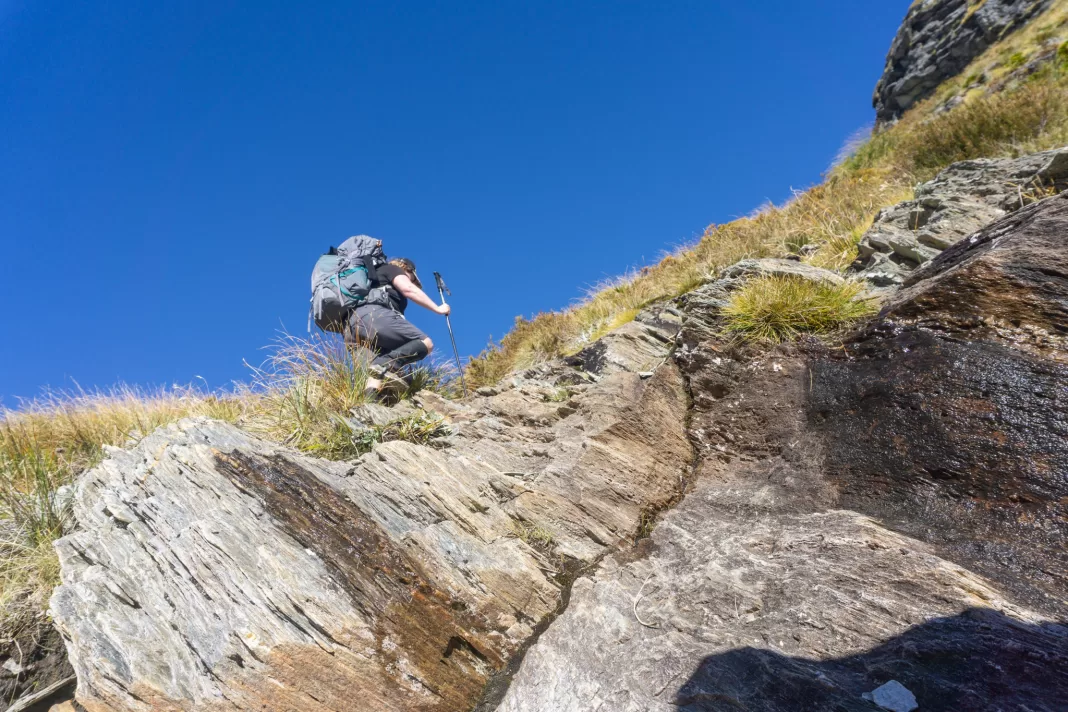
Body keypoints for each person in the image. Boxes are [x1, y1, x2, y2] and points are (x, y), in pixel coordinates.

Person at [347, 257, 451, 397]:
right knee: (425, 343)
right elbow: (408, 290)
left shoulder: (370, 279)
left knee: (375, 376)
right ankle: (384, 363)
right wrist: (438, 309)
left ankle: (367, 406)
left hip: (351, 328)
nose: (412, 282)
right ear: (407, 268)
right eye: (413, 279)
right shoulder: (392, 269)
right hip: (374, 317)